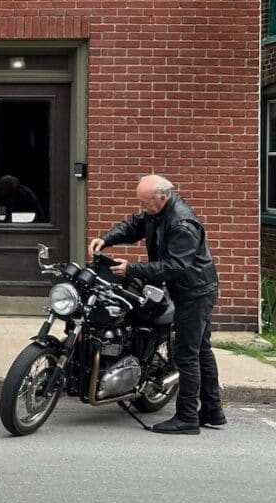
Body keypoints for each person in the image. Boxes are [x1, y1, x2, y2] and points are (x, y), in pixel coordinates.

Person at [88, 174, 223, 435]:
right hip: (192, 289)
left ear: (162, 197)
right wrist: (106, 239)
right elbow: (133, 226)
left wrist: (131, 269)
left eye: (146, 202)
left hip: (194, 293)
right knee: (202, 350)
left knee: (187, 354)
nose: (143, 207)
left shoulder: (182, 223)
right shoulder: (157, 212)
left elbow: (175, 266)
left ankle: (186, 419)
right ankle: (213, 411)